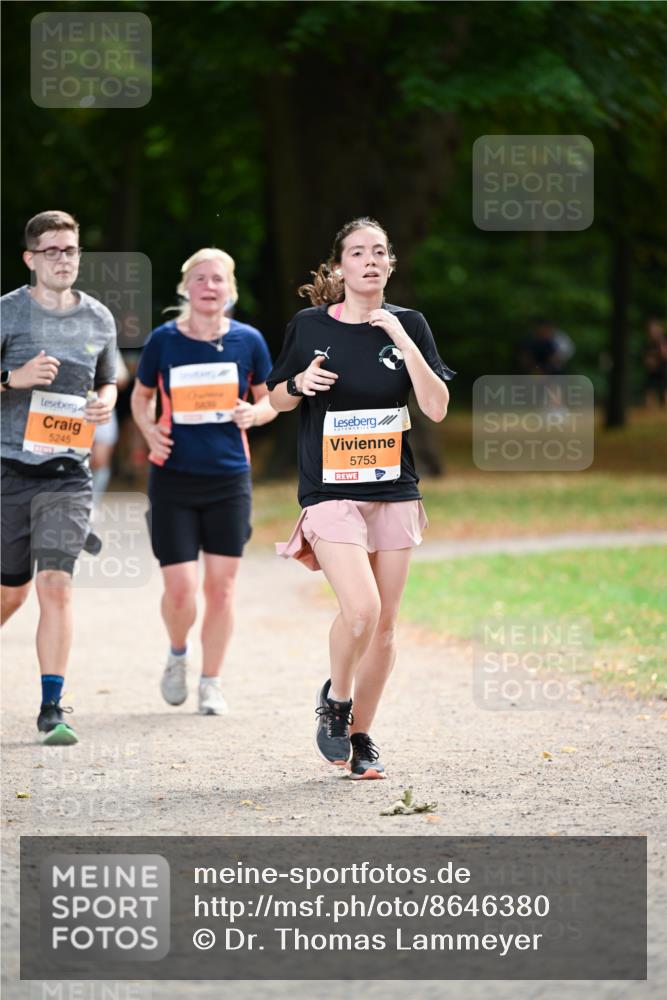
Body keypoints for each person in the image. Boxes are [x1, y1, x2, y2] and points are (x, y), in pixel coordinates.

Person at [267, 217, 455, 779]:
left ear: (390, 264)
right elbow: (274, 399)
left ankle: (362, 737)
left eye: (379, 252)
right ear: (339, 267)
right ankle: (337, 702)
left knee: (386, 625)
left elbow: (438, 406)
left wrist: (400, 339)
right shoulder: (307, 326)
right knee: (362, 610)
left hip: (393, 491)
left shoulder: (410, 325)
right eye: (357, 252)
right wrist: (299, 385)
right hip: (330, 491)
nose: (370, 260)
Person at [131, 247, 276, 715]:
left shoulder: (248, 340)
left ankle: (211, 682)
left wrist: (254, 413)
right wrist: (149, 429)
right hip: (172, 478)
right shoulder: (163, 340)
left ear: (229, 289)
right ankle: (178, 654)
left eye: (217, 279)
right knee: (179, 589)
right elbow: (141, 395)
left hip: (229, 478)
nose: (208, 287)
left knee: (222, 588)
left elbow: (270, 400)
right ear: (185, 288)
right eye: (200, 279)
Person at [0, 210, 117, 745]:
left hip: (68, 475)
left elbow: (108, 380)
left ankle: (52, 706)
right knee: (10, 594)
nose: (63, 259)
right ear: (30, 259)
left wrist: (103, 405)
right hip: (9, 470)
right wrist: (13, 378)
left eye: (70, 250)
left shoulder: (98, 318)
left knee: (56, 585)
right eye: (52, 251)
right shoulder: (7, 313)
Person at [91, 349, 130, 496]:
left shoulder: (106, 342)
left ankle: (92, 504)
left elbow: (122, 379)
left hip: (101, 406)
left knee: (99, 460)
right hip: (67, 407)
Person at [643, 316, 667, 408]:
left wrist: (655, 356)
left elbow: (664, 354)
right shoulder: (649, 342)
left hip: (663, 367)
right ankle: (649, 409)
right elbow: (646, 359)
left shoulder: (662, 339)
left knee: (665, 387)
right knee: (649, 388)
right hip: (653, 368)